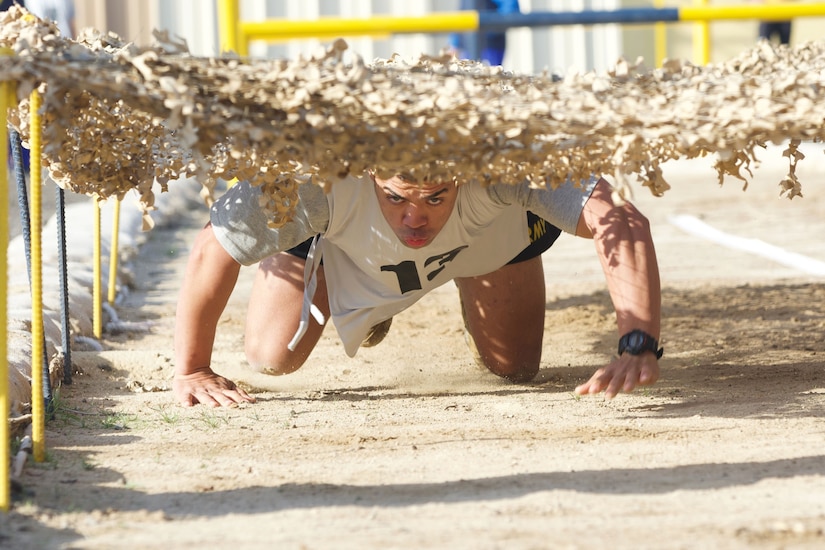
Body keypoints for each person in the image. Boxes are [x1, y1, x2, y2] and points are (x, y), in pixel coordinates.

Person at [173, 168, 662, 408]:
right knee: (270, 357)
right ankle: (324, 262)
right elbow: (210, 247)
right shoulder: (316, 183)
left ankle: (451, 270)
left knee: (514, 371)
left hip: (483, 245)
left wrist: (638, 344)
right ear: (367, 173)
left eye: (434, 197)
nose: (414, 217)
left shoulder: (505, 165)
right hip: (350, 248)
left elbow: (620, 217)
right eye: (395, 197)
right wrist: (193, 368)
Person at [448, 0, 520, 66]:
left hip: (489, 46)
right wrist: (455, 43)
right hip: (466, 46)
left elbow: (511, 9)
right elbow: (463, 11)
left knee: (489, 78)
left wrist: (488, 29)